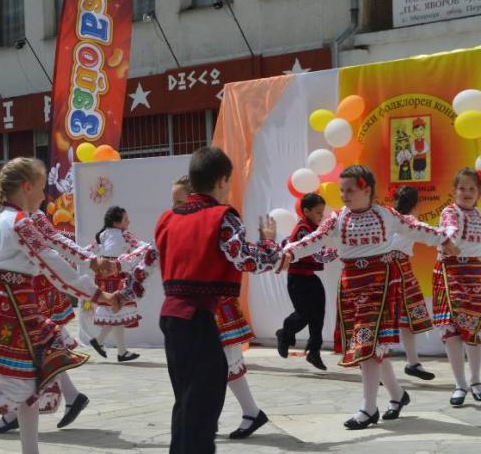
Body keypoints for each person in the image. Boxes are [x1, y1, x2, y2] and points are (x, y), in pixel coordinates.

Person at [0, 157, 117, 454]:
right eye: (42, 186)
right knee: (19, 384)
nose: (45, 195)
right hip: (11, 308)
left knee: (30, 383)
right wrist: (97, 294)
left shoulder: (8, 220)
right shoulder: (18, 222)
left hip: (10, 304)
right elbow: (52, 261)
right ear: (27, 186)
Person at [281, 165, 458, 430]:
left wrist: (444, 239)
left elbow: (417, 228)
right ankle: (398, 395)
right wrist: (290, 253)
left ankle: (368, 408)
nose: (344, 195)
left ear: (367, 190)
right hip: (351, 287)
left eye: (350, 190)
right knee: (374, 349)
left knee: (368, 347)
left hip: (380, 286)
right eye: (342, 190)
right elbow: (315, 239)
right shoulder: (338, 218)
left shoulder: (386, 215)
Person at [156, 147, 281, 453]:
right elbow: (245, 258)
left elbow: (151, 256)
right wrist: (270, 245)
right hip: (199, 317)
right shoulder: (221, 217)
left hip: (171, 316)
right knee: (203, 404)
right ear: (223, 180)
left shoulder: (168, 218)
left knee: (185, 400)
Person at [433, 168, 481, 406]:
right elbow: (449, 228)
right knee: (451, 332)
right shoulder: (449, 212)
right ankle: (459, 384)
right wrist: (449, 239)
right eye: (462, 188)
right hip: (449, 272)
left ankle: (475, 380)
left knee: (474, 330)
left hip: (474, 274)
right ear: (453, 191)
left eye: (472, 188)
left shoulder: (479, 216)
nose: (467, 193)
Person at [276, 193, 337, 371]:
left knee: (318, 315)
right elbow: (317, 254)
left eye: (322, 212)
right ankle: (285, 334)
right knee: (304, 314)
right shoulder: (304, 229)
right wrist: (338, 251)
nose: (321, 216)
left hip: (310, 277)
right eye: (318, 212)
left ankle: (314, 351)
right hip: (298, 278)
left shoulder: (314, 228)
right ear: (306, 211)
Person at [88, 206, 148, 362]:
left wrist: (95, 263)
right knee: (117, 308)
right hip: (117, 276)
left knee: (115, 311)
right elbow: (143, 247)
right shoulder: (123, 234)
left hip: (103, 277)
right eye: (125, 219)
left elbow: (87, 251)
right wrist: (126, 259)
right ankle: (114, 348)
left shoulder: (102, 234)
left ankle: (115, 348)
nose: (128, 222)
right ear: (116, 222)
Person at [390, 186, 435, 381]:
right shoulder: (408, 221)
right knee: (395, 319)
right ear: (416, 203)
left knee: (403, 319)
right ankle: (375, 364)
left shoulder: (389, 218)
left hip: (392, 268)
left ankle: (413, 362)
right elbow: (430, 235)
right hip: (395, 269)